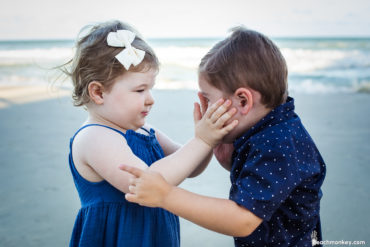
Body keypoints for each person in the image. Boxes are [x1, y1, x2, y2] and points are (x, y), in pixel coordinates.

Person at [120, 27, 326, 247]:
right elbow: (267, 181)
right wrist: (230, 159)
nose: (205, 108)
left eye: (208, 99)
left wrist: (167, 196)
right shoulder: (270, 129)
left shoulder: (279, 143)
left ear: (243, 101)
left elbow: (242, 219)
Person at [62, 20, 239, 247]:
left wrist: (208, 140)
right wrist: (201, 140)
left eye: (151, 87)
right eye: (140, 90)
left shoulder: (145, 131)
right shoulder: (94, 138)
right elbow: (145, 182)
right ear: (98, 92)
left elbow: (190, 166)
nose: (150, 98)